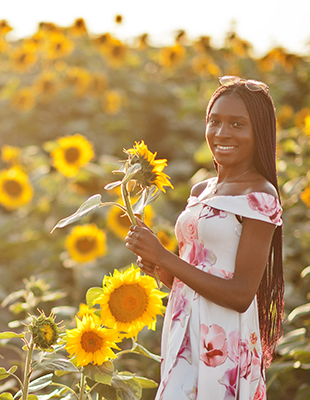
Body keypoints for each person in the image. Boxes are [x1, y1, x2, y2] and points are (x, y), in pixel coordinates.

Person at [124, 76, 283, 400]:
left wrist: (165, 257)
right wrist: (157, 264)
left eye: (237, 124)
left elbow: (240, 294)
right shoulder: (201, 191)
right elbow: (191, 282)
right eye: (215, 121)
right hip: (184, 330)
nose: (222, 133)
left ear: (258, 133)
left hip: (223, 343)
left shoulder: (260, 195)